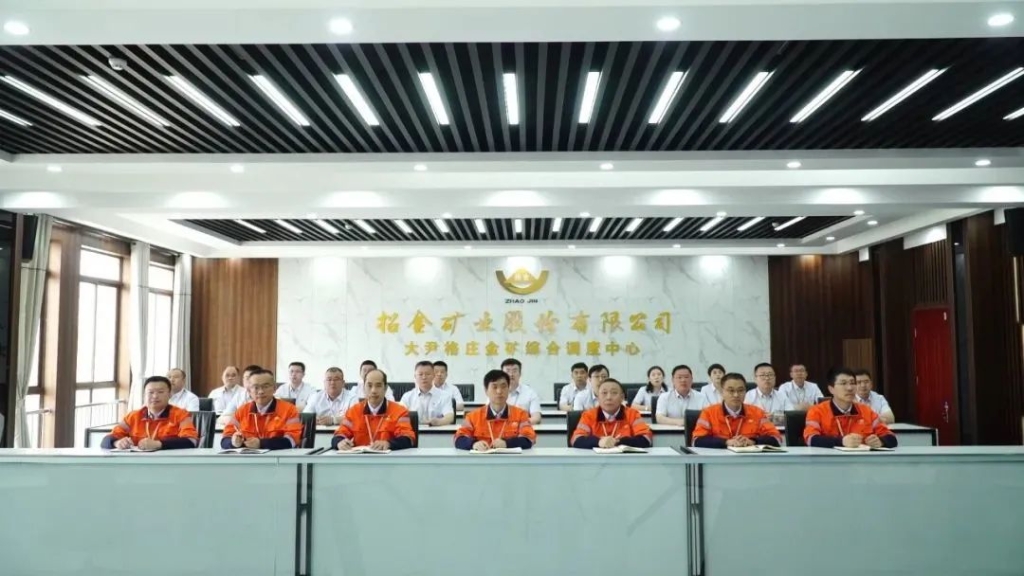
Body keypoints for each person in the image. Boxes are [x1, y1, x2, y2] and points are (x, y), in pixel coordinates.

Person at [804, 367, 898, 449]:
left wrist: (881, 441)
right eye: (843, 383)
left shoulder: (866, 411)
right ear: (831, 389)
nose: (849, 388)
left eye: (852, 383)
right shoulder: (817, 411)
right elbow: (810, 439)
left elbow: (891, 438)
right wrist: (841, 441)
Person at [101, 376, 198, 450]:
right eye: (150, 392)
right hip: (137, 464)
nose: (155, 396)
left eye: (160, 392)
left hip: (169, 463)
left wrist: (158, 444)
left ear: (169, 395)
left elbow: (191, 441)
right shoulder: (133, 417)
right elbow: (106, 440)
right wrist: (117, 443)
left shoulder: (181, 415)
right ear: (144, 395)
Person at [331, 369, 416, 451]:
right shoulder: (353, 411)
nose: (373, 390)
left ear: (385, 388)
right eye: (369, 385)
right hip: (360, 459)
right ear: (363, 388)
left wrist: (389, 444)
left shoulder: (400, 411)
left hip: (389, 459)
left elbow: (408, 438)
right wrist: (339, 442)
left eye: (378, 385)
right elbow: (339, 434)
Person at [692, 373, 782, 448]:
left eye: (740, 390)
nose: (736, 395)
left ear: (745, 392)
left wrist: (753, 441)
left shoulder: (758, 413)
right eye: (731, 391)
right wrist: (726, 442)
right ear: (722, 392)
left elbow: (776, 438)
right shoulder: (709, 413)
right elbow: (697, 440)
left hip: (749, 460)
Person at [221, 369, 303, 450]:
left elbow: (292, 440)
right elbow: (224, 440)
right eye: (256, 387)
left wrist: (261, 443)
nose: (260, 391)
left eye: (265, 386)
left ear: (274, 388)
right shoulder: (242, 411)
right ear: (249, 391)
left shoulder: (289, 410)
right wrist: (233, 442)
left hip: (278, 457)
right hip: (248, 457)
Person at [455, 370, 536, 451]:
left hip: (510, 458)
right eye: (494, 387)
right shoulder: (473, 416)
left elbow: (529, 439)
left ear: (509, 389)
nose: (499, 391)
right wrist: (473, 444)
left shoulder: (521, 414)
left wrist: (507, 443)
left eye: (503, 387)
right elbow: (459, 438)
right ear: (486, 390)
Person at [571, 378, 653, 449]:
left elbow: (646, 438)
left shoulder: (632, 414)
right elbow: (576, 439)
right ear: (598, 397)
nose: (609, 397)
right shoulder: (589, 415)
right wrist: (599, 442)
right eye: (604, 393)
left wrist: (618, 442)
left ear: (622, 397)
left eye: (614, 393)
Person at [399, 360, 455, 426]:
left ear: (433, 376)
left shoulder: (444, 396)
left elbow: (449, 416)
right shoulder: (407, 396)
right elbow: (399, 416)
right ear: (415, 376)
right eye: (420, 374)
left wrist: (439, 422)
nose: (424, 377)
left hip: (436, 429)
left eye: (428, 374)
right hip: (413, 430)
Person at [502, 358, 542, 424]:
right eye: (508, 371)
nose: (511, 374)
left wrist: (518, 424)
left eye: (514, 371)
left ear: (520, 374)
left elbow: (536, 418)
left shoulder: (530, 393)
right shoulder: (494, 392)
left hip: (522, 428)